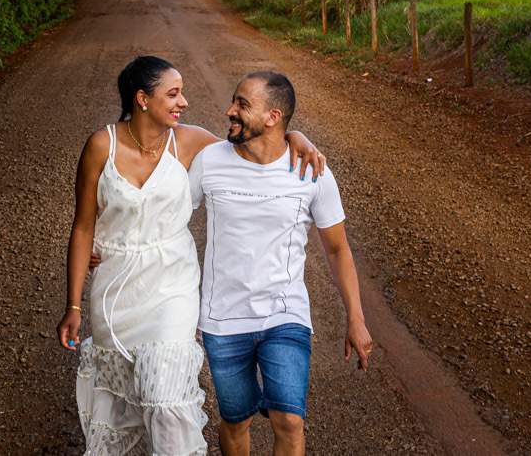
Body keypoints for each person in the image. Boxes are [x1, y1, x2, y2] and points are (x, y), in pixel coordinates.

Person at [56, 56, 324, 455]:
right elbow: (83, 227)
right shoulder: (101, 146)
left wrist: (295, 136)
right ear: (143, 99)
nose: (183, 102)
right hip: (116, 289)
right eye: (174, 93)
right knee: (126, 402)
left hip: (172, 285)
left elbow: (255, 144)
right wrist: (73, 305)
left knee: (165, 399)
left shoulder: (190, 141)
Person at [188, 71, 373, 456]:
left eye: (242, 105)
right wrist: (116, 245)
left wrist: (356, 318)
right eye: (233, 101)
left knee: (289, 420)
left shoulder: (312, 171)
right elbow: (169, 218)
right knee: (235, 421)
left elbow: (338, 249)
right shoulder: (210, 161)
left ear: (273, 117)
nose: (229, 111)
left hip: (285, 315)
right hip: (223, 319)